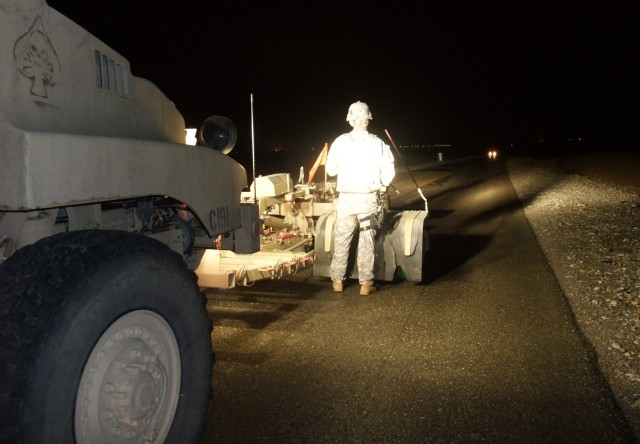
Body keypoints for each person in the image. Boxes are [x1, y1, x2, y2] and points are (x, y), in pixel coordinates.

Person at [325, 101, 395, 296]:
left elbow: (331, 170)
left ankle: (337, 281)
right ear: (368, 118)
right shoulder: (377, 143)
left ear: (349, 119)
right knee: (367, 241)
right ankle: (366, 284)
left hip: (346, 199)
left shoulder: (339, 141)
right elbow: (389, 171)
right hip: (367, 199)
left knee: (341, 240)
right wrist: (381, 185)